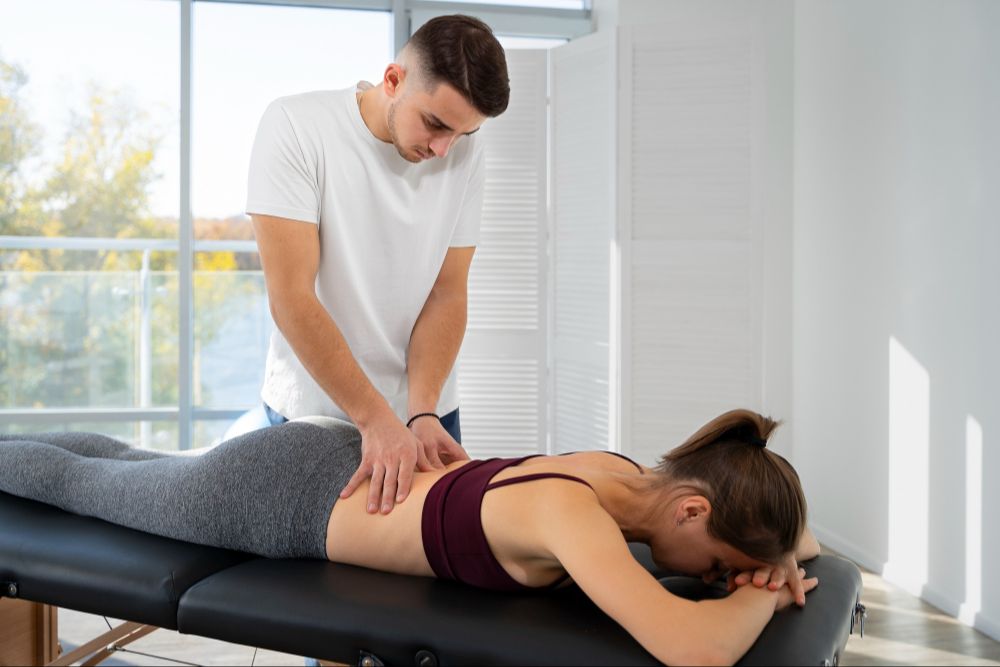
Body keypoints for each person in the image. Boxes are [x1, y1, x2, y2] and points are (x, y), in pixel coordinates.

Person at [0, 408, 821, 666]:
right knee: (91, 486)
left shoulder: (620, 469)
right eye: (718, 565)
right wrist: (770, 590)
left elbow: (797, 536)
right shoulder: (574, 517)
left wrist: (778, 555)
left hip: (328, 459)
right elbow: (694, 651)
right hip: (280, 498)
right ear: (691, 511)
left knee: (127, 466)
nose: (714, 580)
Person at [245, 14, 510, 517]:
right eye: (434, 124)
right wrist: (374, 420)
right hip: (316, 412)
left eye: (462, 134)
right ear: (393, 80)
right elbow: (291, 297)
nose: (442, 150)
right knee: (306, 585)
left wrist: (422, 409)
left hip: (425, 414)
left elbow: (448, 293)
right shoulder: (296, 127)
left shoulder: (463, 149)